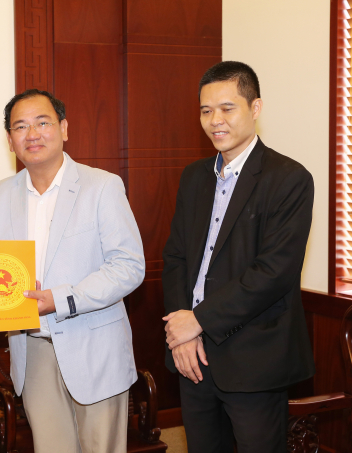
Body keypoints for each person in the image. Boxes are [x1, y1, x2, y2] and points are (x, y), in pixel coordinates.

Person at [0, 89, 145, 453]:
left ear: (64, 128)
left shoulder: (102, 186)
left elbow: (128, 266)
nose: (32, 134)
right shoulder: (2, 193)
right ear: (9, 140)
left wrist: (60, 299)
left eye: (42, 122)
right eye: (20, 126)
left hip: (93, 348)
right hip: (32, 351)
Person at [162, 61, 315, 452]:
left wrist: (198, 319)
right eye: (206, 110)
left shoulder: (289, 178)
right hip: (193, 355)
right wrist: (181, 333)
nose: (215, 120)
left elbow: (273, 272)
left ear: (255, 108)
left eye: (227, 108)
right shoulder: (194, 177)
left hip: (254, 359)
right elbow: (176, 258)